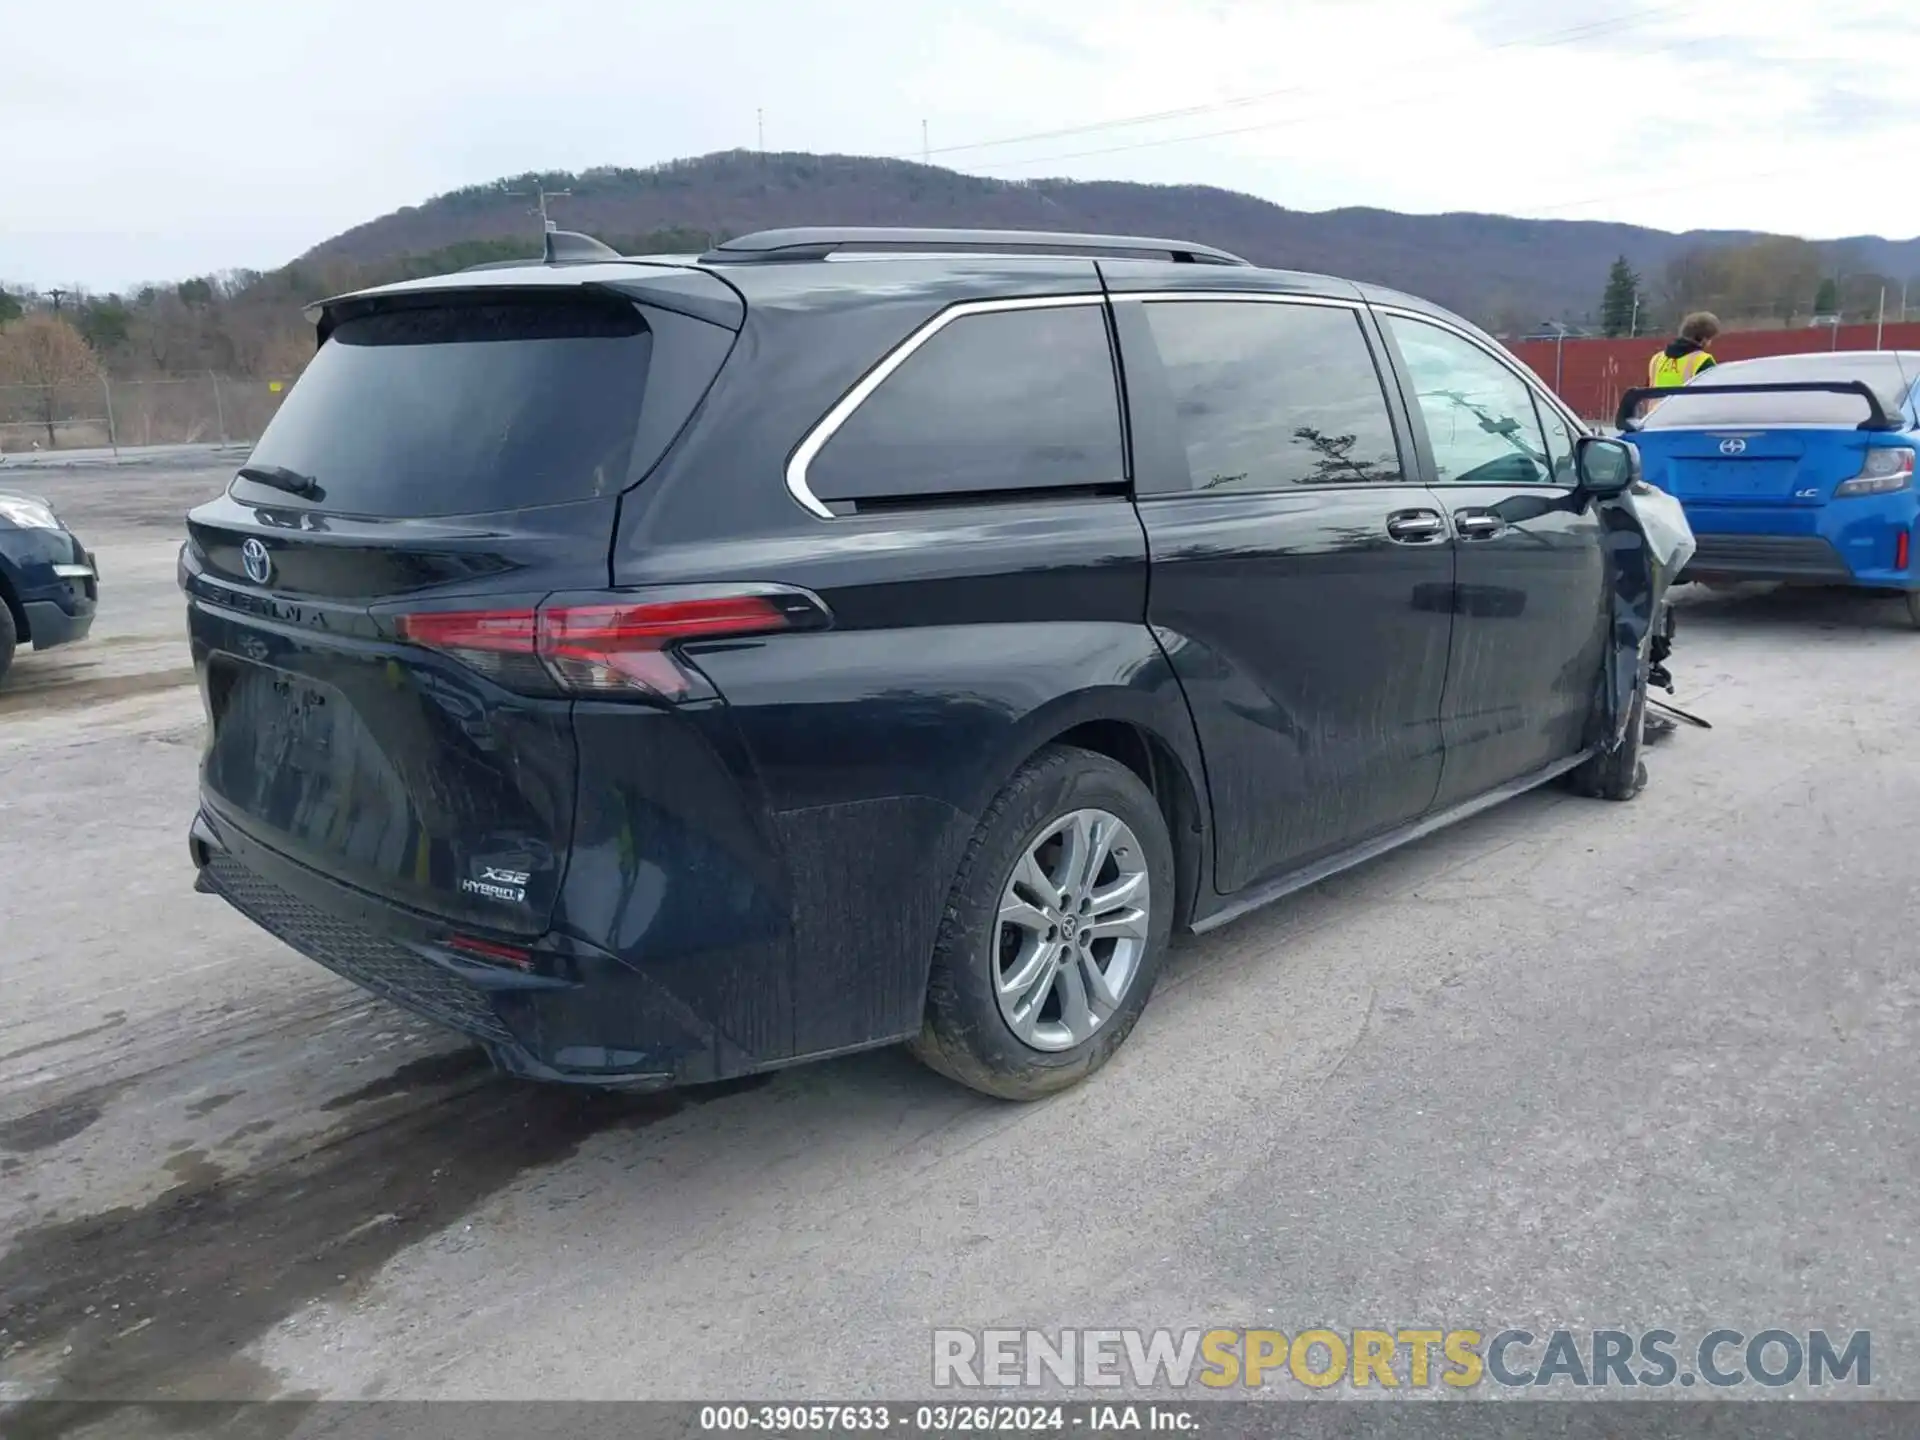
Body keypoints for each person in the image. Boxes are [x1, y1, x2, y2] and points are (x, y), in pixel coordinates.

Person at [1649, 312, 1720, 388]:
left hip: (1659, 400)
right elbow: (1710, 393)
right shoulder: (1703, 360)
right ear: (1703, 339)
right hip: (1688, 400)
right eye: (1710, 339)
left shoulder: (1656, 359)